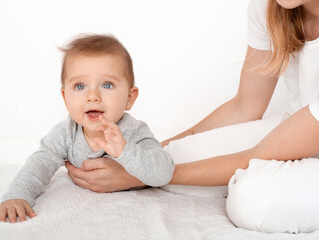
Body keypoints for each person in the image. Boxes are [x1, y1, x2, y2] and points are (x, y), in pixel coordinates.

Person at [64, 0, 319, 191]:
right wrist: (142, 155)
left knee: (251, 201)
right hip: (297, 129)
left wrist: (139, 175)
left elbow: (255, 155)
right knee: (177, 155)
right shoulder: (270, 7)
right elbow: (246, 106)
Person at [0, 34, 174, 223]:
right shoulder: (66, 133)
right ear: (65, 97)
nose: (92, 96)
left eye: (107, 84)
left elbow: (165, 172)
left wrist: (125, 150)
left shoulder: (134, 132)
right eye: (80, 86)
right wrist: (17, 196)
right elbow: (39, 164)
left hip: (129, 217)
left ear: (130, 97)